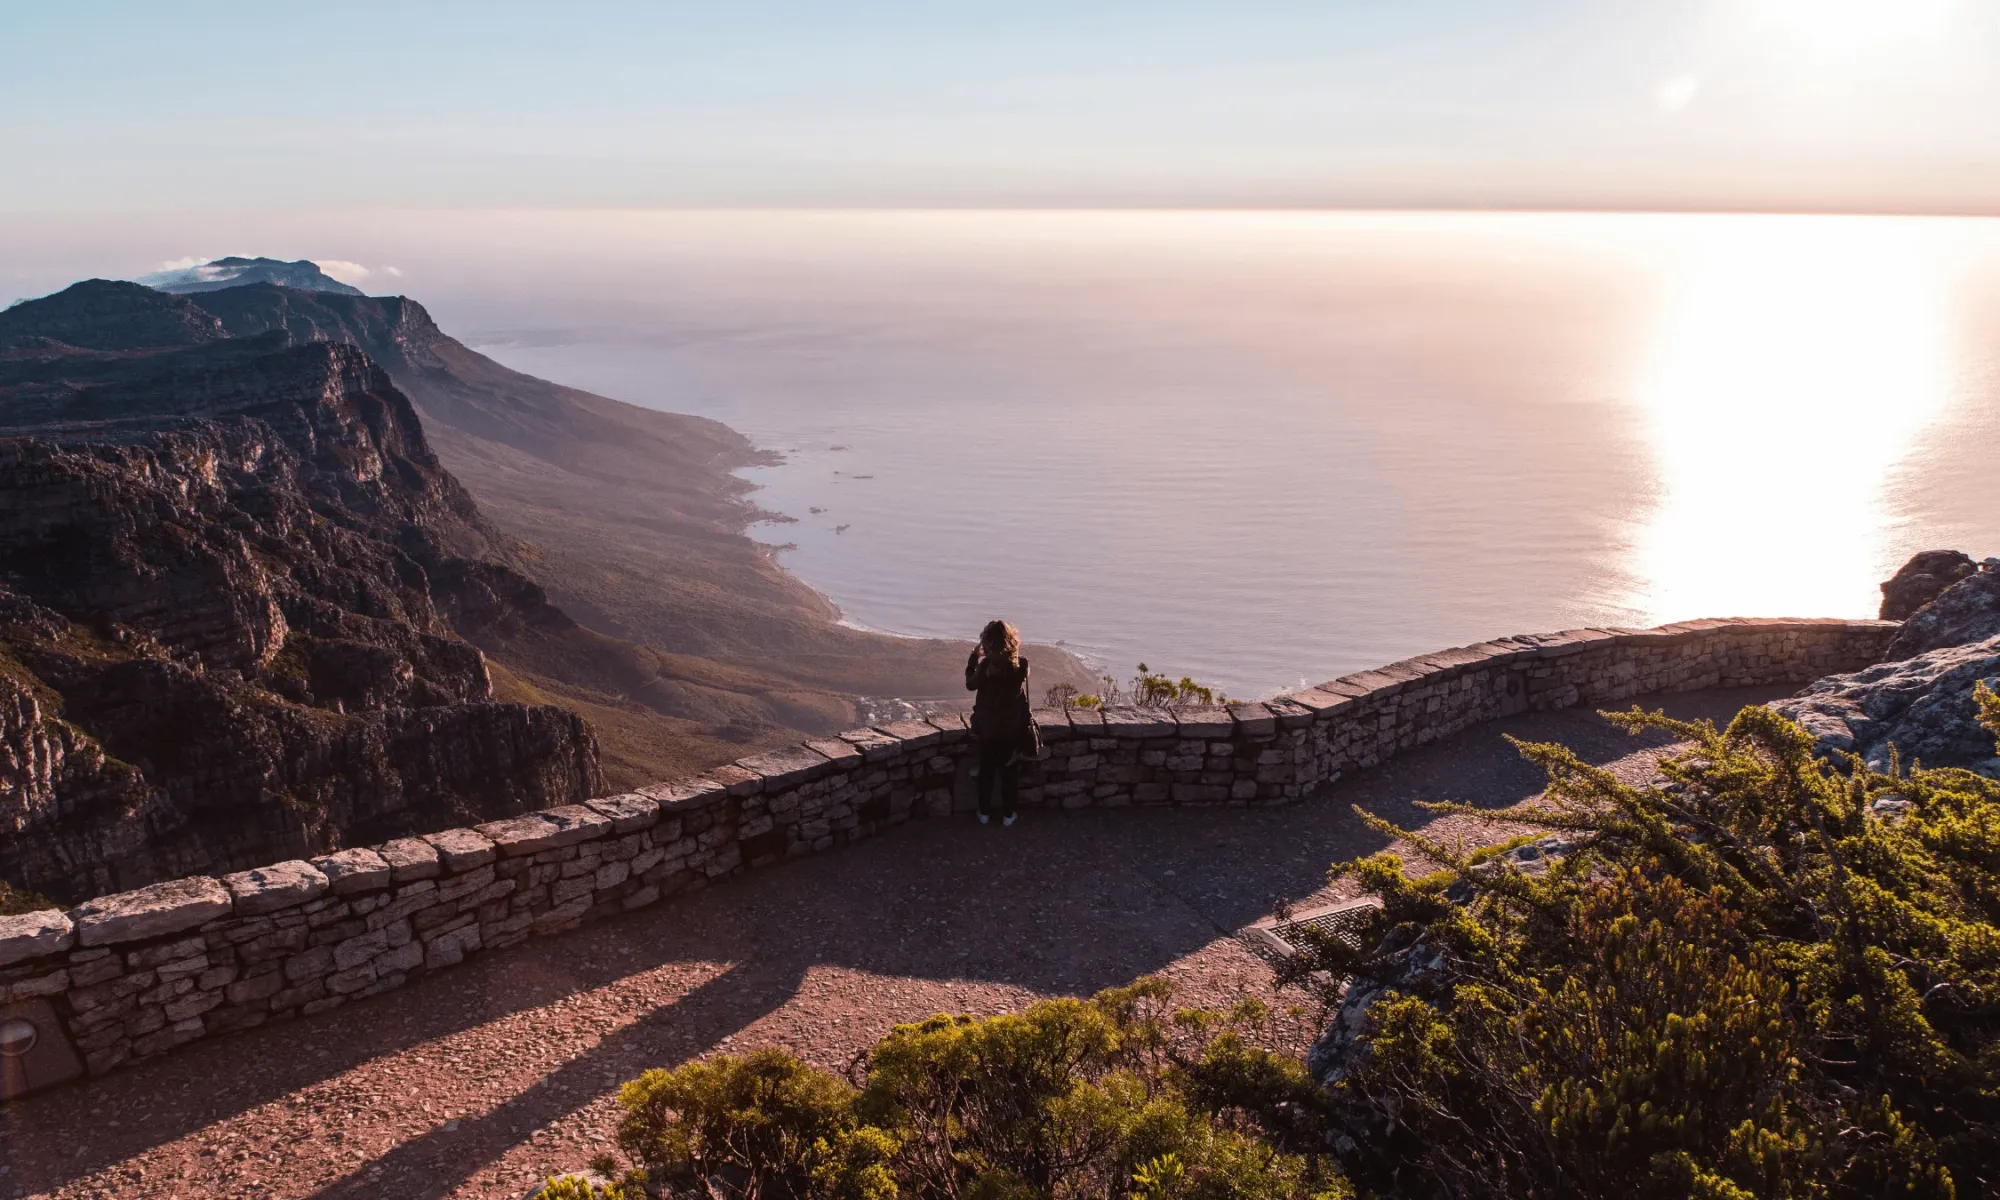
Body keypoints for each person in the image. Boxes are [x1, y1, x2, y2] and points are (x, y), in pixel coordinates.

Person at [965, 618, 1040, 826]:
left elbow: (970, 685)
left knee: (986, 772)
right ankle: (1008, 814)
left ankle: (984, 813)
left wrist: (973, 658)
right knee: (1009, 773)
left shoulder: (986, 667)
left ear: (986, 644)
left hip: (987, 729)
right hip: (1011, 730)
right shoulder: (1021, 665)